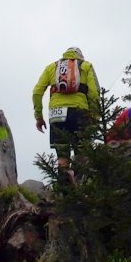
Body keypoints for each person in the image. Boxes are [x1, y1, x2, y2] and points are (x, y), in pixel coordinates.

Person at [32, 47, 101, 184]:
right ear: (80, 56)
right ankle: (79, 187)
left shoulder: (51, 67)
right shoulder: (86, 65)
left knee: (62, 157)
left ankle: (65, 193)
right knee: (82, 153)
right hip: (79, 113)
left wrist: (39, 116)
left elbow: (37, 92)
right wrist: (95, 115)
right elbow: (94, 92)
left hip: (56, 114)